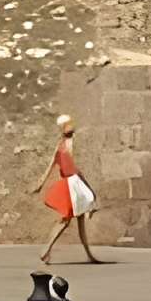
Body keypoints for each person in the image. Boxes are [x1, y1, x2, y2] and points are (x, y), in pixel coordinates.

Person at [37, 113, 101, 265]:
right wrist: (88, 189)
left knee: (79, 222)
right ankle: (46, 249)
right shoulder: (67, 145)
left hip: (73, 184)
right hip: (72, 185)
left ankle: (88, 255)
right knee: (66, 220)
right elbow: (74, 169)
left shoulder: (61, 145)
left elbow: (50, 167)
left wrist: (40, 183)